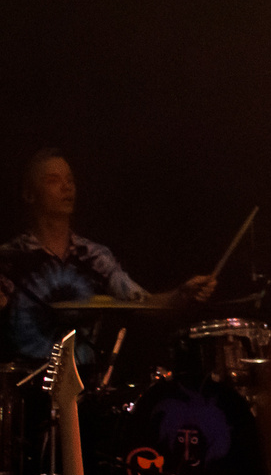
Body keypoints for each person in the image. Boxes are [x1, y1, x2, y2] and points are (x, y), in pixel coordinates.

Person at [1, 148, 214, 365]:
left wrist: (182, 294)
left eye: (70, 180)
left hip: (84, 381)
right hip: (24, 380)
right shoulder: (9, 258)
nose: (67, 187)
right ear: (29, 194)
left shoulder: (94, 256)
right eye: (53, 180)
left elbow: (143, 304)